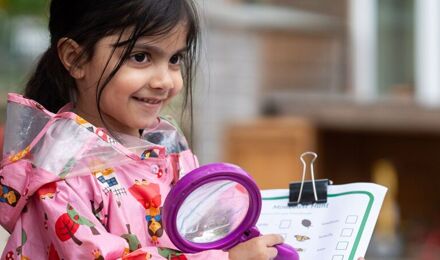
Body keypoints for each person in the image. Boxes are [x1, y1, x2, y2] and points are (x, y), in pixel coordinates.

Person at [0, 0, 285, 259]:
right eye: (140, 57)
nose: (165, 81)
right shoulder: (59, 175)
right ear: (75, 58)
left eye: (175, 59)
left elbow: (195, 230)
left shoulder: (166, 145)